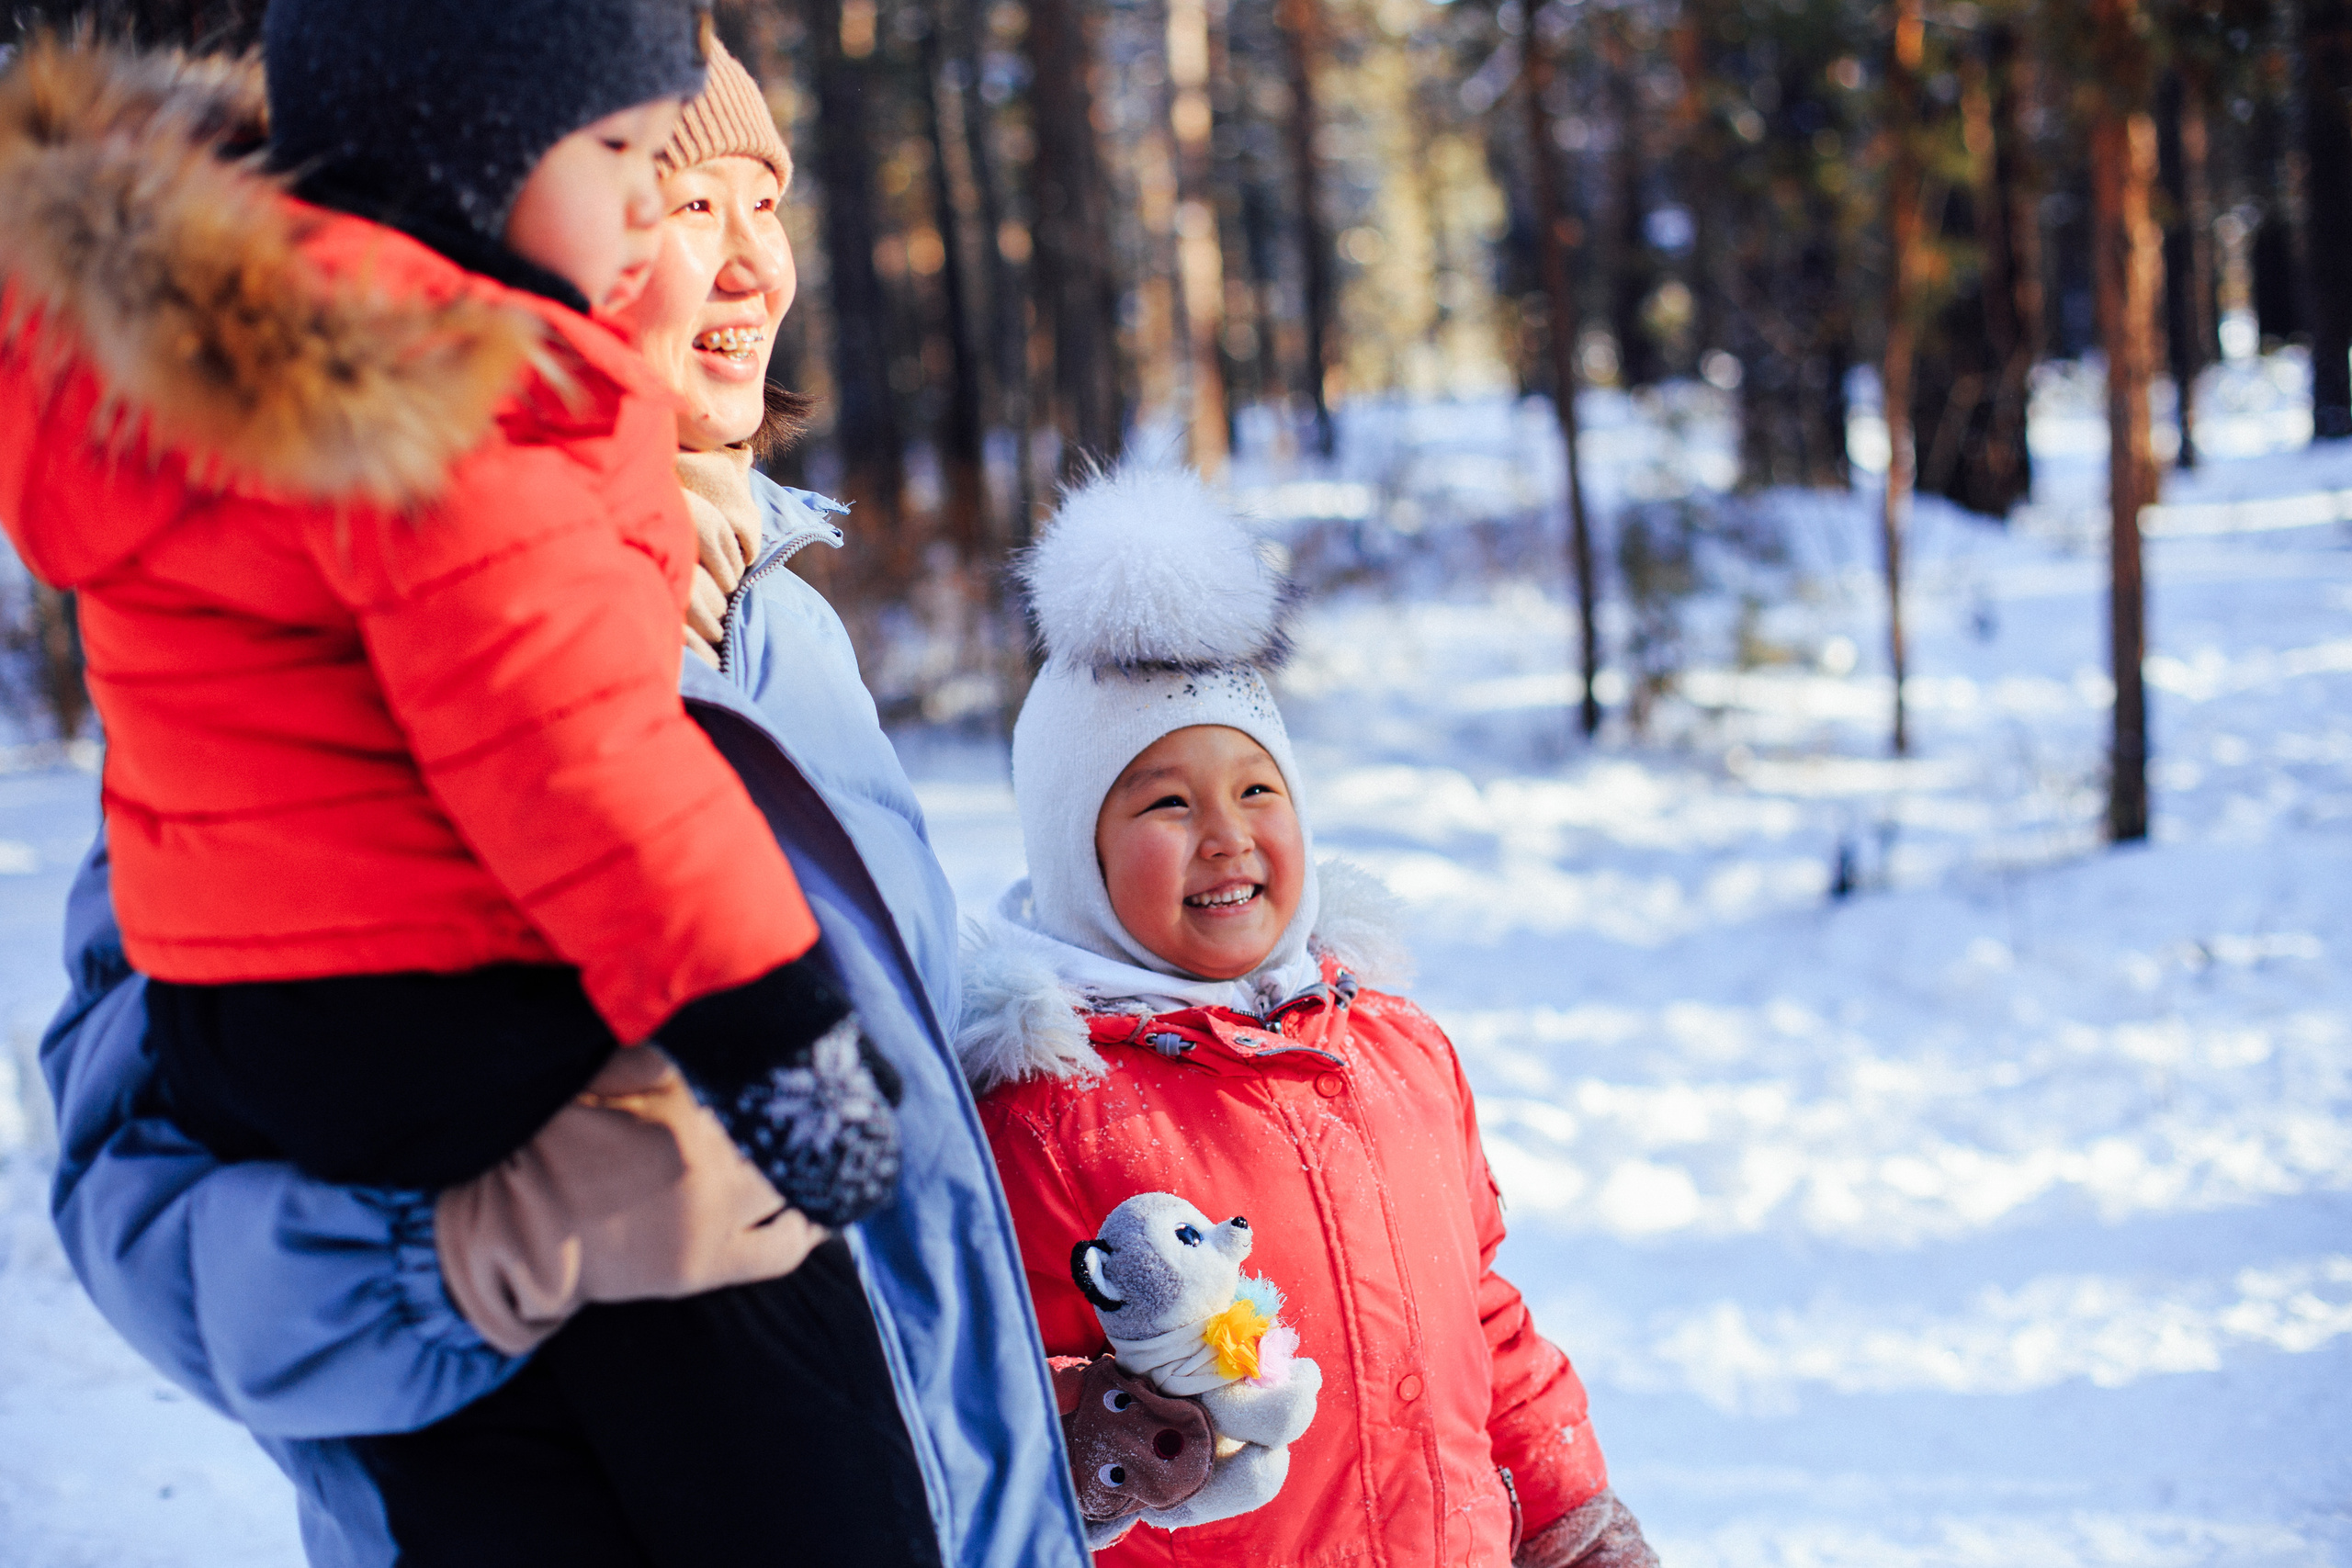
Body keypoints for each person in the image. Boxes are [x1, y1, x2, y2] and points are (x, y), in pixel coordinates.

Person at [27, 32, 1091, 1568]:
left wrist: (1035, 1406)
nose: (742, 269)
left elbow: (872, 1180)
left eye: (760, 201)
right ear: (481, 210)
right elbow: (131, 1208)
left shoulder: (788, 626)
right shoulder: (297, 671)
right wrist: (486, 1252)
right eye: (668, 193)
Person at [955, 467, 1661, 1567]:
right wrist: (1094, 1430)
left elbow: (1483, 1320)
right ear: (1076, 852)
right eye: (1167, 803)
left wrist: (1572, 1521)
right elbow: (982, 1386)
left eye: (1256, 791)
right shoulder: (1047, 1112)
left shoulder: (1395, 1054)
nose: (1226, 837)